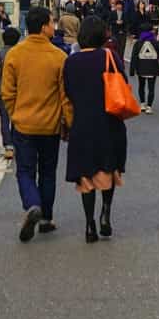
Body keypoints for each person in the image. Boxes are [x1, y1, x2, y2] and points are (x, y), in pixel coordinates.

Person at [1, 6, 72, 241]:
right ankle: (46, 218)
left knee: (25, 171)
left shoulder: (15, 54)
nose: (54, 27)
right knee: (48, 172)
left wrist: (15, 114)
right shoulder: (59, 56)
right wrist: (68, 123)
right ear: (43, 27)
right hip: (50, 126)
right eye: (51, 23)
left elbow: (7, 92)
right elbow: (65, 96)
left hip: (23, 125)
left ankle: (32, 204)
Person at [63, 17, 129, 243]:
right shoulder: (110, 57)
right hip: (109, 122)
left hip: (82, 124)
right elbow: (124, 83)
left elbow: (68, 93)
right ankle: (105, 214)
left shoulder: (71, 62)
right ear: (102, 35)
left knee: (86, 177)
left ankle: (89, 224)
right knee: (108, 170)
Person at [0, 26, 20, 160]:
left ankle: (8, 146)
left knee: (4, 119)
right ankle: (16, 143)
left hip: (1, 91)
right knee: (17, 119)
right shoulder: (21, 54)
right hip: (19, 92)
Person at [130, 24, 159, 113]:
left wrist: (132, 70)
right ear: (151, 31)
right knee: (151, 88)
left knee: (141, 85)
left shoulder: (138, 43)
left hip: (141, 67)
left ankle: (142, 104)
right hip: (153, 67)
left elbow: (134, 57)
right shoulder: (156, 43)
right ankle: (149, 106)